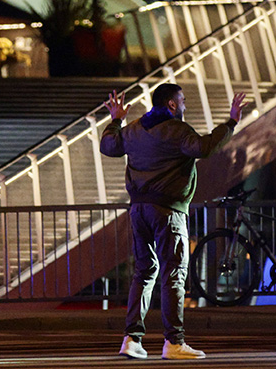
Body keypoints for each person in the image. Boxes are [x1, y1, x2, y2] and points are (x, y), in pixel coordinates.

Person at [101, 83, 247, 360]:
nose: (184, 105)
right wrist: (231, 122)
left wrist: (116, 119)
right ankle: (174, 342)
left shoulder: (133, 129)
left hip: (138, 210)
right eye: (182, 101)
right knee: (174, 273)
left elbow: (108, 145)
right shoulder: (177, 131)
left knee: (144, 272)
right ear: (171, 104)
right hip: (168, 211)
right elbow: (204, 147)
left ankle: (131, 339)